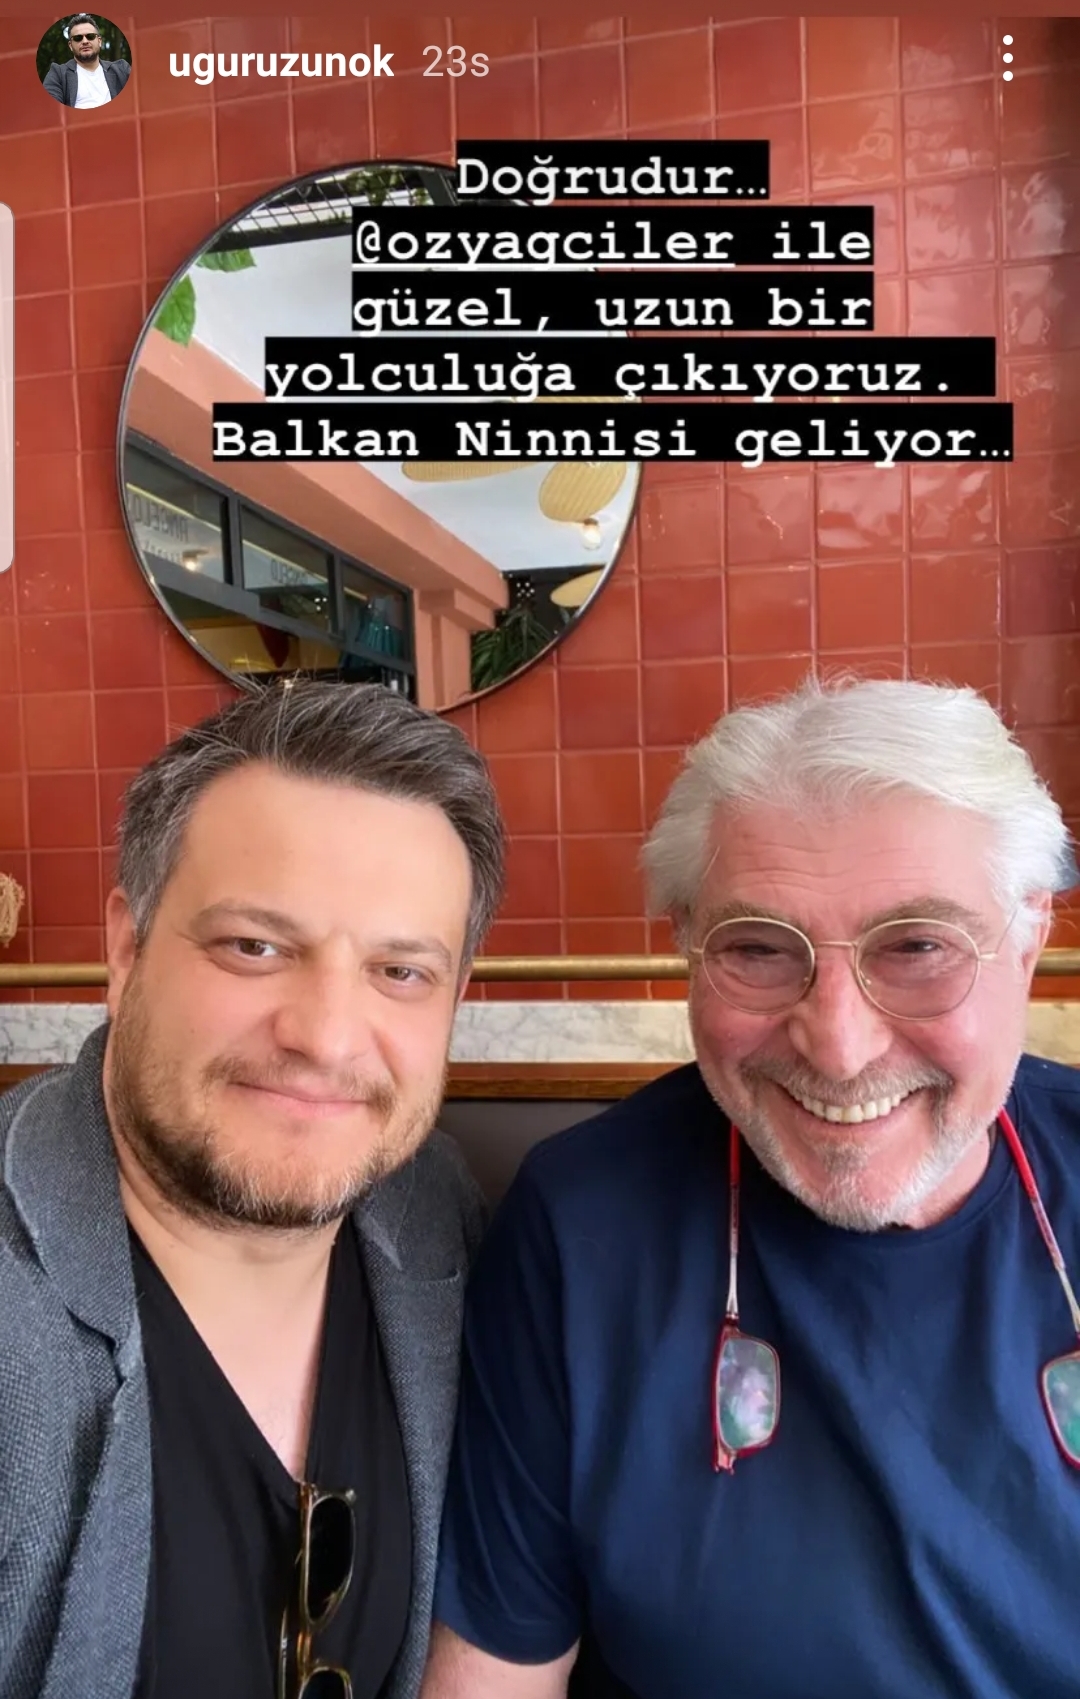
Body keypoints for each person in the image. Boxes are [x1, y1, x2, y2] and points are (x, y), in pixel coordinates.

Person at [422, 676, 1080, 1699]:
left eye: (918, 946)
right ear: (688, 943)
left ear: (1029, 937)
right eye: (761, 950)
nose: (840, 1045)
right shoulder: (584, 1226)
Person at [0, 680, 504, 1699]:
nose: (326, 1035)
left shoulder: (434, 1217)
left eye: (401, 971)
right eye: (255, 947)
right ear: (126, 947)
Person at [42, 12, 130, 107]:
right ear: (70, 45)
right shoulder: (58, 74)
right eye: (78, 38)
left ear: (99, 41)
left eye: (90, 36)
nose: (85, 41)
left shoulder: (121, 69)